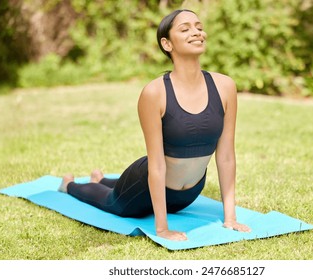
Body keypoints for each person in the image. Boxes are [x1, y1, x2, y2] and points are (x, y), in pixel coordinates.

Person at [58, 9, 251, 241]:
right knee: (112, 202)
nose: (197, 32)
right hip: (144, 185)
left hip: (188, 194)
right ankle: (70, 185)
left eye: (199, 27)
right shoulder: (155, 92)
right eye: (185, 28)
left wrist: (230, 217)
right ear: (167, 44)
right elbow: (157, 164)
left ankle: (101, 178)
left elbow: (226, 156)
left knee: (118, 187)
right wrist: (162, 229)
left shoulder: (225, 87)